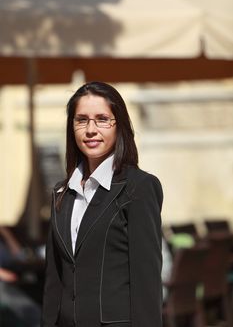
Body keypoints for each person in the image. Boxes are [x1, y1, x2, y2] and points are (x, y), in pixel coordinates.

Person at [41, 81, 163, 327]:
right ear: (71, 127)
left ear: (119, 126)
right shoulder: (61, 192)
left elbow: (146, 281)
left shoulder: (138, 188)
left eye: (102, 119)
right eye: (82, 120)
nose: (91, 129)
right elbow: (54, 280)